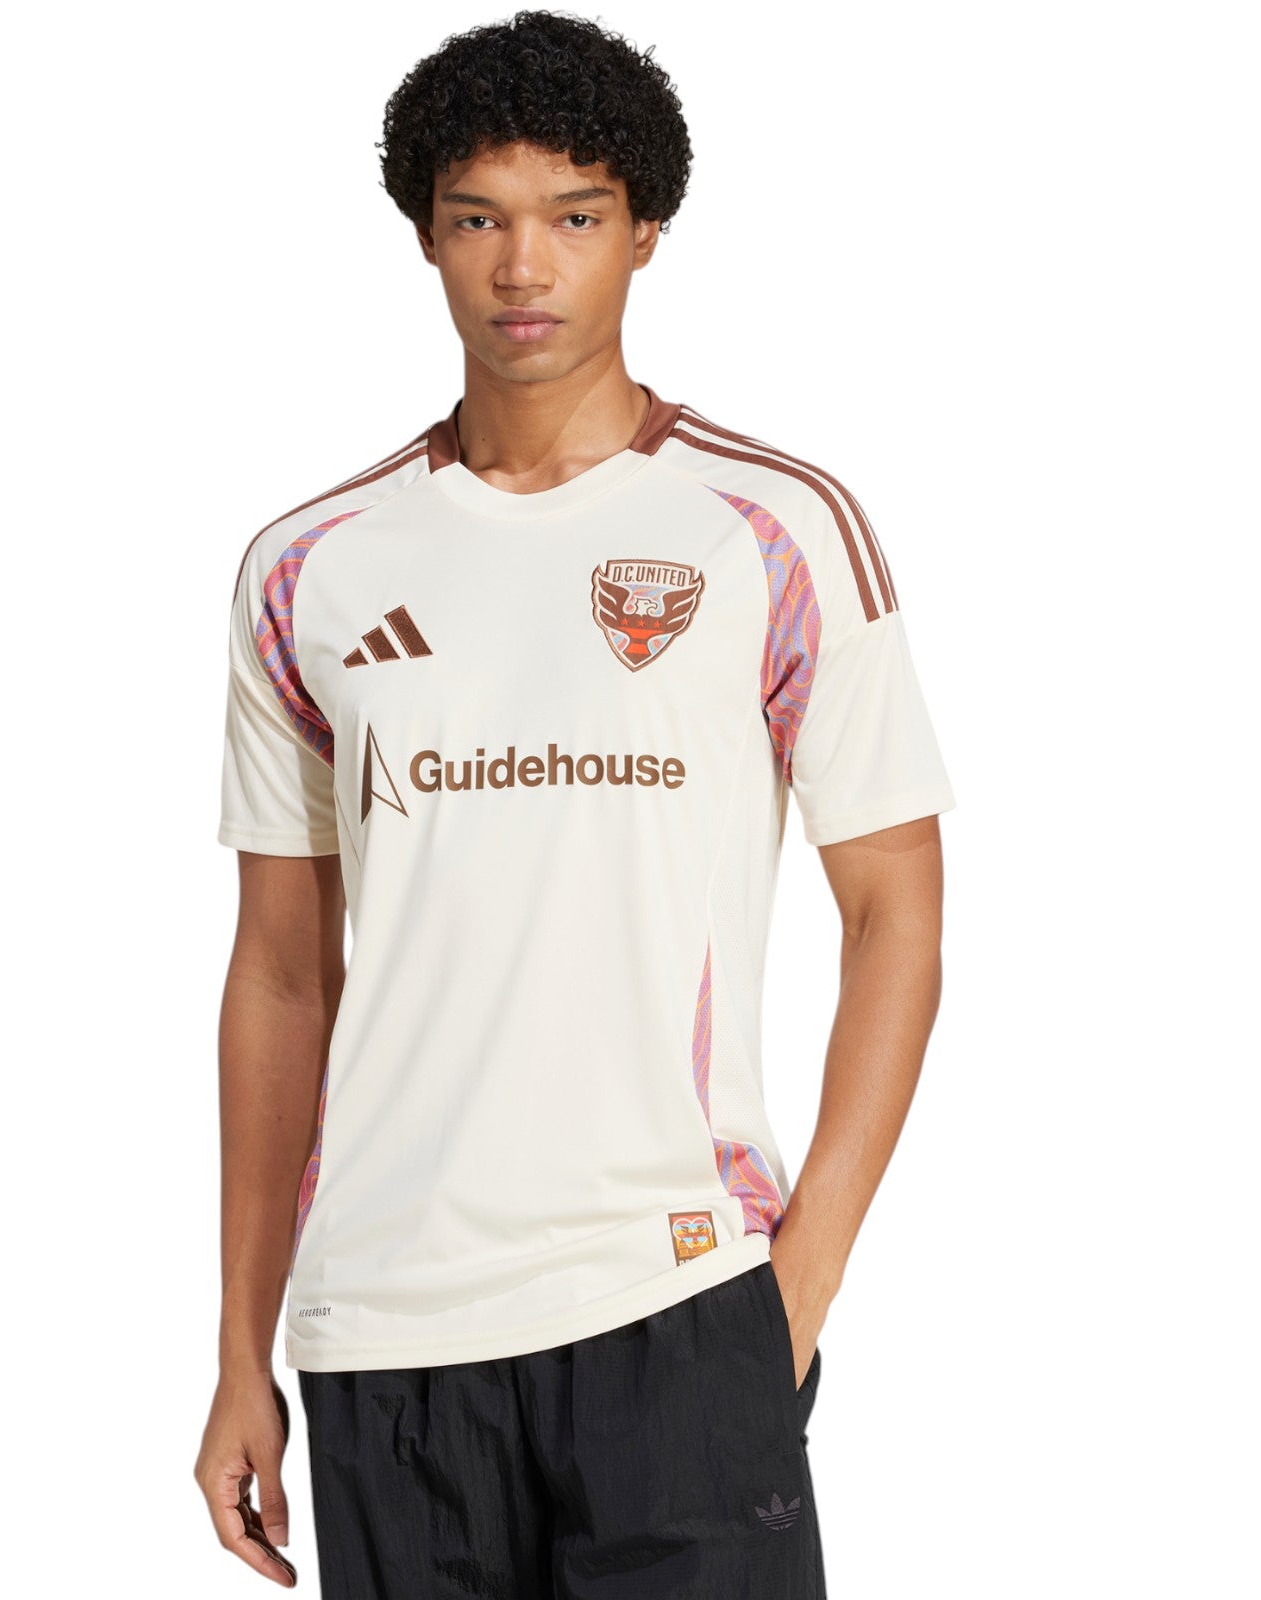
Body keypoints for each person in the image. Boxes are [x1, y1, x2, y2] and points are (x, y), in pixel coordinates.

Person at [193, 10, 956, 1595]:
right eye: (479, 218)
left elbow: (896, 914)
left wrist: (796, 1288)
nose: (524, 267)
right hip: (384, 1330)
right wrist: (239, 1348)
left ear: (646, 231)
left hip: (677, 1304)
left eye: (576, 216)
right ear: (426, 235)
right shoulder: (308, 566)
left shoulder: (773, 527)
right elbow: (280, 973)